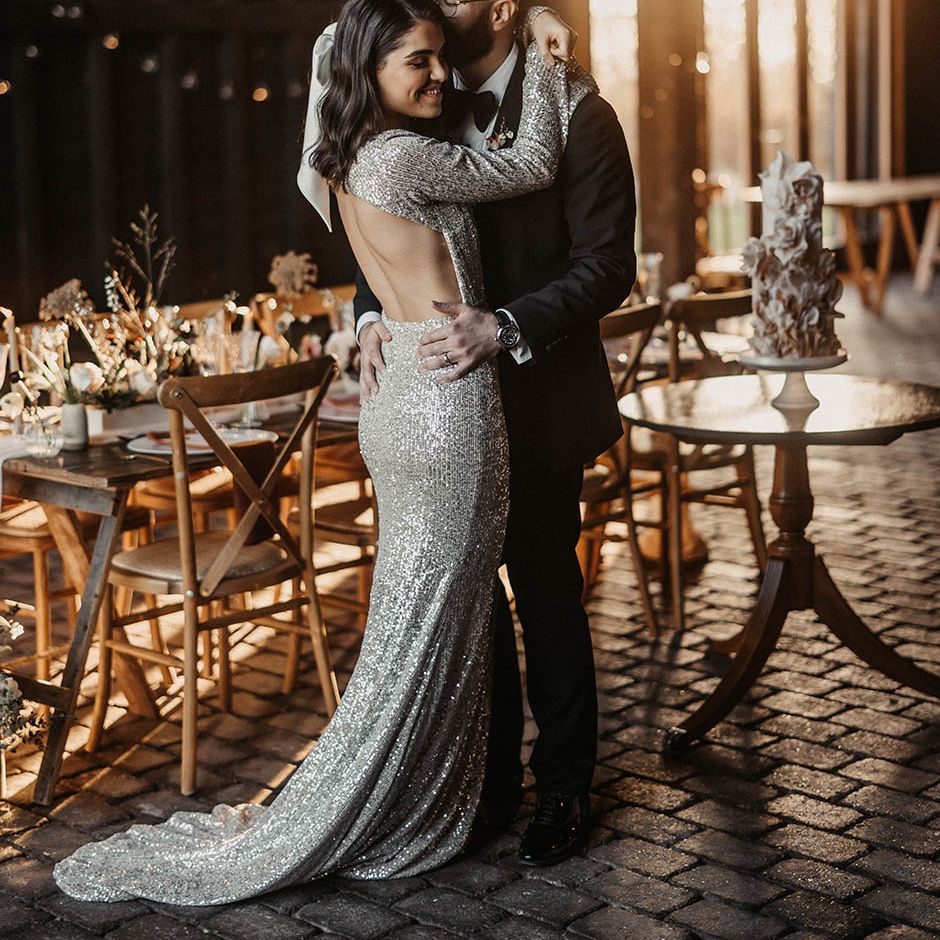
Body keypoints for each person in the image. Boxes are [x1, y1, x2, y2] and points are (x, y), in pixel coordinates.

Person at [53, 0, 591, 904]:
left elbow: (398, 267)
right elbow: (533, 162)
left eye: (436, 59)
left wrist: (371, 320)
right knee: (431, 621)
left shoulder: (341, 158)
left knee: (421, 616)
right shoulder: (404, 152)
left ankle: (435, 791)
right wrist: (546, 54)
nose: (436, 76)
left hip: (401, 400)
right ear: (368, 71)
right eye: (415, 61)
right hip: (447, 408)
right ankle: (388, 798)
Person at [355, 1, 636, 866]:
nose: (438, 5)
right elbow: (386, 217)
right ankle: (489, 788)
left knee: (547, 596)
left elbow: (606, 268)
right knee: (470, 609)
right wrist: (368, 311)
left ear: (507, 8)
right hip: (446, 409)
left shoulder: (581, 110)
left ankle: (562, 789)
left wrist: (503, 324)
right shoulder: (413, 101)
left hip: (539, 398)